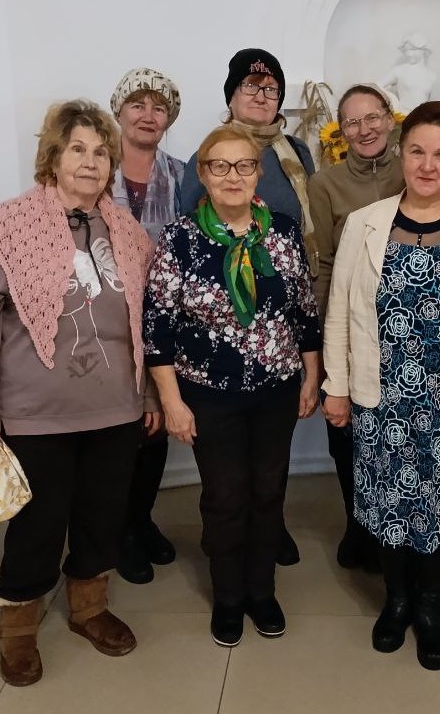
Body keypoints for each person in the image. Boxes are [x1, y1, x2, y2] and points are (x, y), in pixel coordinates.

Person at [0, 100, 159, 687]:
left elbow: (145, 323)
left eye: (101, 152)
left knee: (103, 516)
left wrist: (147, 397)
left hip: (116, 408)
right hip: (35, 414)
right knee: (37, 524)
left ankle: (89, 609)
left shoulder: (127, 232)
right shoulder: (9, 226)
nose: (90, 162)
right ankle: (18, 627)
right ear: (53, 156)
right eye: (77, 149)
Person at [322, 101, 440, 671]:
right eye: (417, 152)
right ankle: (397, 599)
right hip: (381, 396)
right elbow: (340, 311)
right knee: (387, 501)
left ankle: (431, 605)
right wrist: (336, 387)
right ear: (401, 154)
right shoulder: (365, 224)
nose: (428, 165)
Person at [143, 125, 320, 648]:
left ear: (258, 173)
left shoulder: (282, 231)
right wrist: (170, 400)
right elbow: (158, 325)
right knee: (224, 497)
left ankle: (261, 590)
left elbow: (303, 309)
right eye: (219, 166)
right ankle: (227, 596)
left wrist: (311, 375)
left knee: (268, 492)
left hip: (276, 390)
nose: (233, 176)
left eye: (244, 165)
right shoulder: (180, 238)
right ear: (202, 174)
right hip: (209, 394)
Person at [181, 47, 316, 566]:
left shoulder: (296, 152)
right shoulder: (209, 155)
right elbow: (194, 239)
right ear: (231, 95)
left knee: (269, 458)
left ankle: (268, 528)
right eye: (250, 86)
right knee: (227, 471)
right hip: (225, 324)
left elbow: (303, 228)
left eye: (271, 88)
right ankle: (226, 541)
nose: (262, 96)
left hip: (282, 315)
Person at [308, 83, 404, 571]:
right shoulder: (324, 184)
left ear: (389, 118)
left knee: (399, 435)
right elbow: (323, 263)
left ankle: (399, 530)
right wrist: (325, 339)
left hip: (408, 328)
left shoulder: (416, 169)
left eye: (372, 117)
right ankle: (358, 524)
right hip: (349, 326)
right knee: (346, 433)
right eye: (352, 121)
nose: (364, 129)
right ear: (340, 131)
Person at [108, 67, 185, 585]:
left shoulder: (182, 175)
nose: (148, 114)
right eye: (138, 103)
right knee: (117, 430)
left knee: (155, 427)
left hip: (162, 318)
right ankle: (116, 529)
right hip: (104, 321)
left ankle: (140, 518)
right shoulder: (93, 166)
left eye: (159, 107)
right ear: (119, 110)